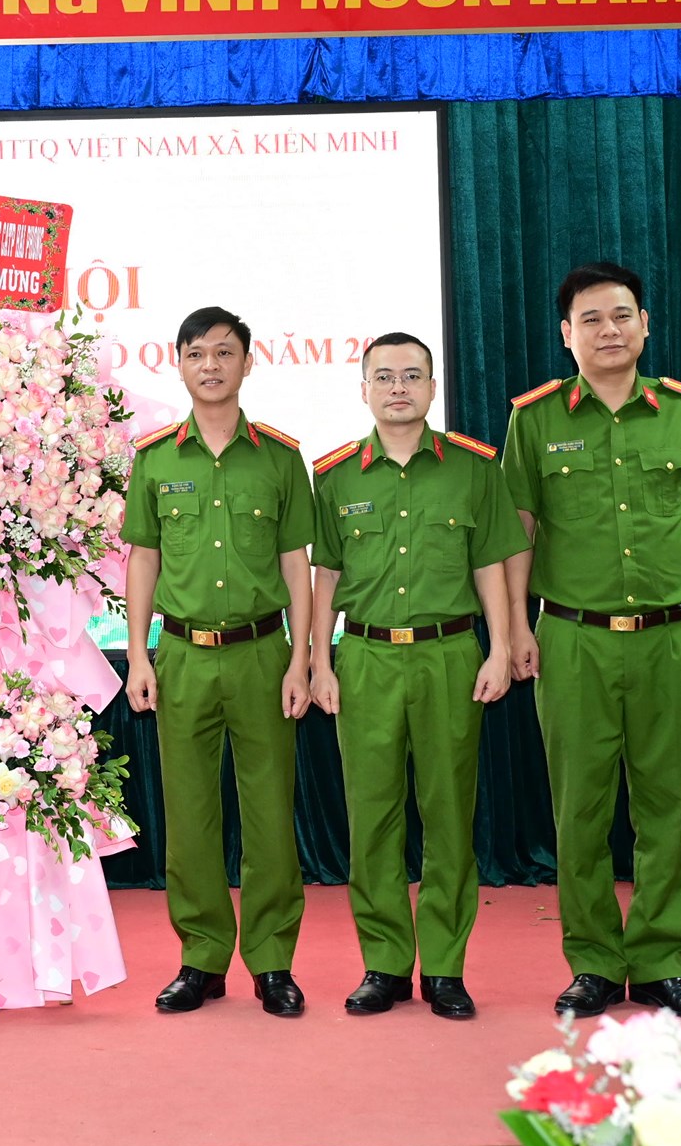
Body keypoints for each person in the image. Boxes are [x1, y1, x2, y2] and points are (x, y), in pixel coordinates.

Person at [502, 264, 681, 1020]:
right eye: (591, 319)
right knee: (579, 809)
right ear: (566, 334)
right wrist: (515, 626)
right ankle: (595, 963)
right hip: (572, 638)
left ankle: (663, 961)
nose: (609, 330)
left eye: (621, 315)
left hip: (671, 638)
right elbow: (518, 532)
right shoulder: (534, 420)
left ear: (645, 323)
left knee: (667, 806)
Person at [307, 332, 526, 1020]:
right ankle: (384, 964)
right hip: (366, 659)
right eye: (384, 376)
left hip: (449, 655)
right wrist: (319, 659)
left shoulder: (473, 468)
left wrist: (499, 648)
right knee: (371, 817)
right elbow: (325, 575)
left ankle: (445, 967)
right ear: (363, 389)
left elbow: (491, 563)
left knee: (449, 814)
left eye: (411, 375)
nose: (397, 387)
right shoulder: (335, 476)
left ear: (433, 387)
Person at [122, 306, 314, 1015]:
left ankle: (272, 960)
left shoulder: (280, 457)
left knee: (269, 814)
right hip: (182, 656)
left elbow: (297, 563)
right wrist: (138, 655)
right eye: (197, 353)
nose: (211, 365)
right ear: (178, 363)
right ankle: (201, 958)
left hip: (263, 653)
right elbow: (143, 559)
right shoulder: (154, 458)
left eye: (225, 353)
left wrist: (302, 658)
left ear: (247, 363)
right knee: (190, 815)